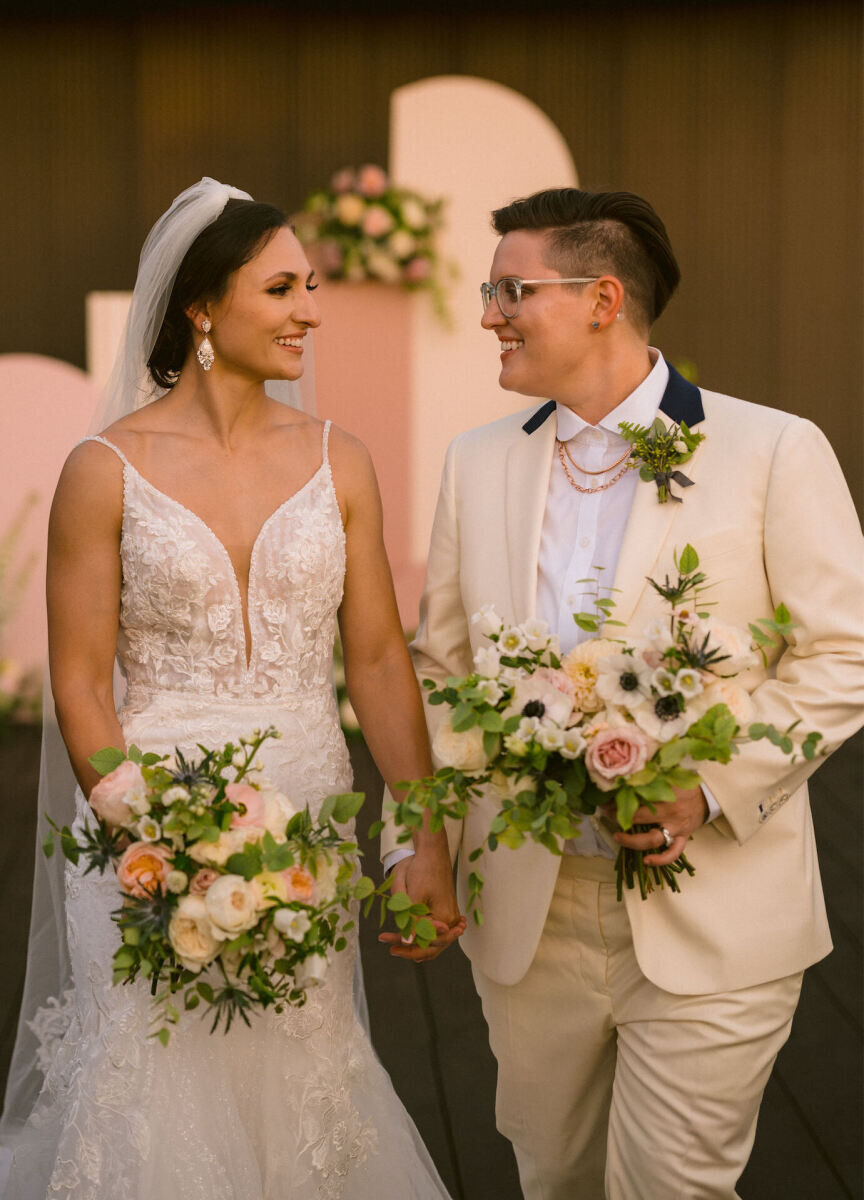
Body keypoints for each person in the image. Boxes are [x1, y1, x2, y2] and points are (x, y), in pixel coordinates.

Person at [382, 187, 864, 1198]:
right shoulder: (476, 465)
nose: (487, 315)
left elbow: (843, 655)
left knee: (671, 1190)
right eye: (488, 289)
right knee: (553, 1181)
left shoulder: (773, 448)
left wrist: (709, 785)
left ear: (603, 299)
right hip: (528, 911)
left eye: (511, 289)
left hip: (718, 912)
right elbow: (443, 674)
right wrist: (415, 842)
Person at [0, 177, 463, 1200]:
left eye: (310, 286)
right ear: (204, 306)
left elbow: (380, 659)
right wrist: (152, 838)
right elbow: (79, 682)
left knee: (299, 1080)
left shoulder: (341, 460)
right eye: (283, 286)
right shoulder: (104, 467)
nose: (311, 309)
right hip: (150, 835)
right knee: (157, 1089)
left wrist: (420, 834)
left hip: (305, 823)